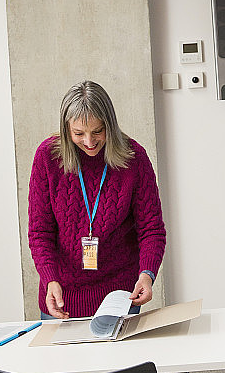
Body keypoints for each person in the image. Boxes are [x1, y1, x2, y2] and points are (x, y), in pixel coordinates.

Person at [28, 81, 166, 320]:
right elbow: (40, 232)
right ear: (66, 128)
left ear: (110, 126)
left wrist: (147, 273)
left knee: (122, 360)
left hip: (120, 297)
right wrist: (49, 277)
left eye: (98, 131)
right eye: (79, 133)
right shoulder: (47, 158)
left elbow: (151, 229)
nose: (90, 142)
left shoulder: (134, 158)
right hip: (61, 297)